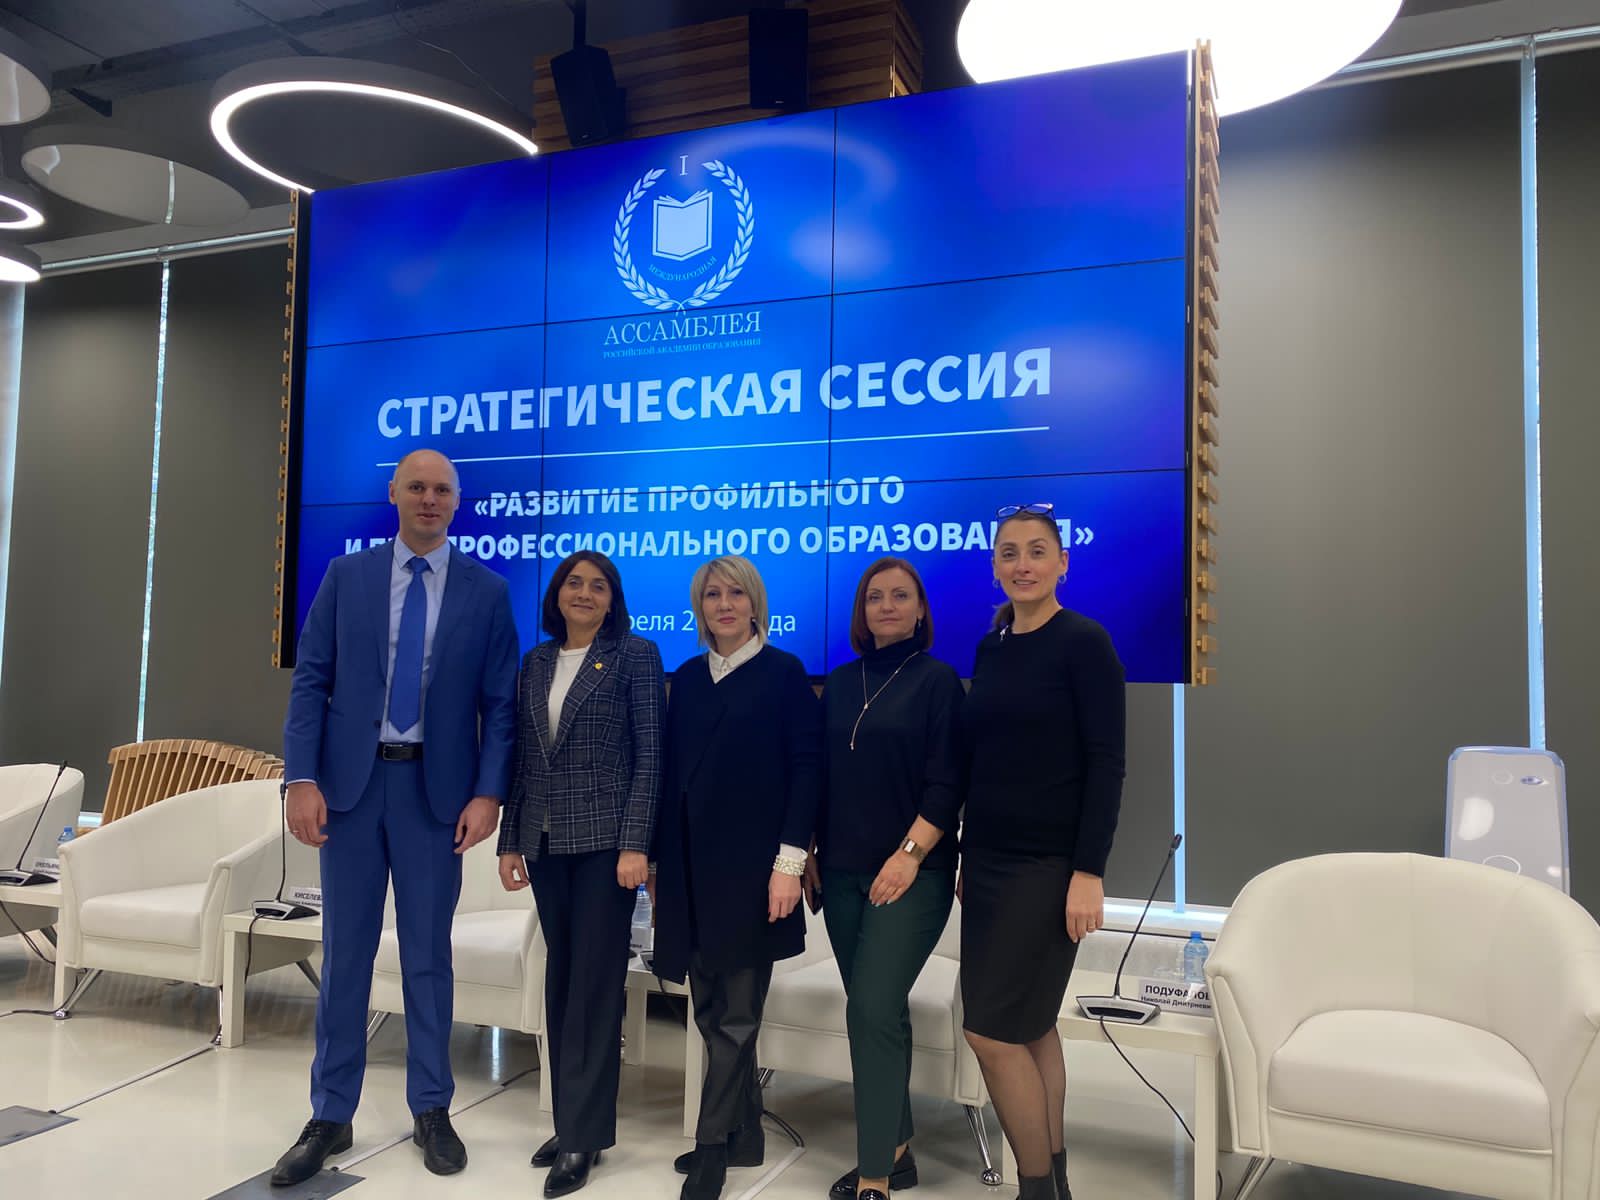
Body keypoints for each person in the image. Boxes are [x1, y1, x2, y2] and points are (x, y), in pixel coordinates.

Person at [273, 449, 519, 1187]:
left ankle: (431, 1108)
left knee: (427, 958)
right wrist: (300, 778)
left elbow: (500, 706)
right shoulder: (345, 577)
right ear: (394, 493)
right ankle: (330, 1113)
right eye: (416, 486)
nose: (429, 498)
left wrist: (488, 794)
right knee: (345, 954)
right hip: (349, 792)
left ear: (457, 501)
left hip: (434, 799)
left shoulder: (487, 591)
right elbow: (311, 682)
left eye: (442, 489)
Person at [959, 503, 1125, 1200]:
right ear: (995, 566)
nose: (1022, 564)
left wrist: (1088, 872)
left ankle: (1035, 1189)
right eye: (1009, 553)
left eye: (1035, 551)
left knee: (989, 1034)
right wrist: (967, 852)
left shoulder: (1084, 643)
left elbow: (1106, 763)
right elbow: (985, 762)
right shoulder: (991, 647)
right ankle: (1054, 1180)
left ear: (1062, 563)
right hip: (988, 865)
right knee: (1030, 1030)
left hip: (1048, 868)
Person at [650, 556, 823, 1200]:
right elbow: (670, 779)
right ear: (700, 608)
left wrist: (789, 865)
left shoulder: (784, 673)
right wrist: (659, 869)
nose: (724, 605)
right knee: (707, 1009)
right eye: (712, 595)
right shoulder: (689, 678)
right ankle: (743, 1132)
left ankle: (710, 1146)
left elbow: (807, 773)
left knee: (738, 1015)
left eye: (735, 594)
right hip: (692, 871)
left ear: (755, 603)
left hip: (757, 873)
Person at [497, 550, 664, 1198]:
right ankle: (571, 1120)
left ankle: (584, 1136)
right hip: (544, 842)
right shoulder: (537, 661)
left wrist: (636, 845)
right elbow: (522, 759)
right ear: (557, 595)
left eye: (599, 586)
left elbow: (649, 758)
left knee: (594, 989)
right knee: (561, 981)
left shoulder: (635, 656)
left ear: (612, 599)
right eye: (575, 583)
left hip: (606, 848)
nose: (585, 594)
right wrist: (511, 842)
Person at [813, 558, 963, 1200]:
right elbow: (819, 774)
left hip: (912, 875)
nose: (888, 606)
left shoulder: (938, 682)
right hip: (841, 872)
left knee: (871, 1007)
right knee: (879, 1014)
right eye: (876, 597)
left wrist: (908, 854)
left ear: (921, 609)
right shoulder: (840, 682)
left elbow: (948, 783)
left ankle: (874, 1173)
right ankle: (897, 1148)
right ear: (862, 611)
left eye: (902, 596)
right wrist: (807, 850)